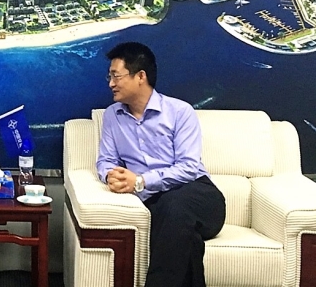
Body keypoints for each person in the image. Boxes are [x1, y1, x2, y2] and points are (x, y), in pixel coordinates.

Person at [96, 42, 225, 287]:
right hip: (159, 204)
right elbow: (106, 160)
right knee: (186, 240)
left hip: (200, 196)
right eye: (109, 77)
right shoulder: (112, 115)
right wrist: (111, 175)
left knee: (174, 206)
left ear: (140, 76)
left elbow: (188, 167)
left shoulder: (180, 112)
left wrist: (141, 181)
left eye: (116, 76)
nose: (111, 83)